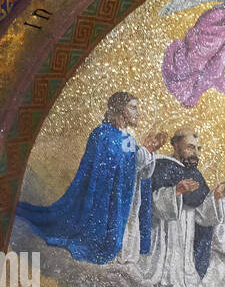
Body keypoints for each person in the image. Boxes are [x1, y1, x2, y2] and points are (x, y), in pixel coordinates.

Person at [15, 91, 166, 267]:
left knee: (113, 244)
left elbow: (134, 168)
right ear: (122, 110)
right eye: (133, 107)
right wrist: (146, 150)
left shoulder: (129, 140)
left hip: (115, 203)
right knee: (91, 240)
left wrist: (149, 151)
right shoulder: (103, 134)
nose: (138, 113)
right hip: (97, 202)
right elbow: (122, 164)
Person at [144, 128, 225, 287]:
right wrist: (175, 192)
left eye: (199, 149)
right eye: (191, 147)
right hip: (163, 229)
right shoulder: (160, 164)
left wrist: (215, 198)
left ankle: (181, 280)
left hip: (186, 231)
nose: (196, 153)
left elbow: (201, 215)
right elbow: (150, 202)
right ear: (175, 145)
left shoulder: (195, 174)